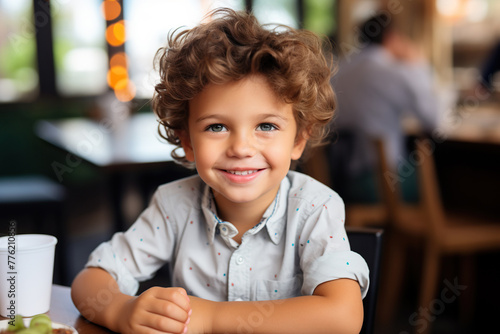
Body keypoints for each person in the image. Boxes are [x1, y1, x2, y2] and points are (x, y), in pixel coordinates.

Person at [71, 8, 369, 334]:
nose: (241, 148)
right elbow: (90, 281)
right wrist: (121, 310)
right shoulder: (173, 206)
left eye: (266, 125)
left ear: (298, 139)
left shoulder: (315, 207)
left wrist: (212, 318)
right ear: (187, 141)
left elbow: (343, 316)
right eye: (216, 127)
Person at [330, 13, 440, 203]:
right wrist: (418, 63)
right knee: (443, 177)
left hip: (339, 177)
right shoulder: (390, 71)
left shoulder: (341, 69)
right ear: (392, 37)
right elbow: (434, 119)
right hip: (381, 181)